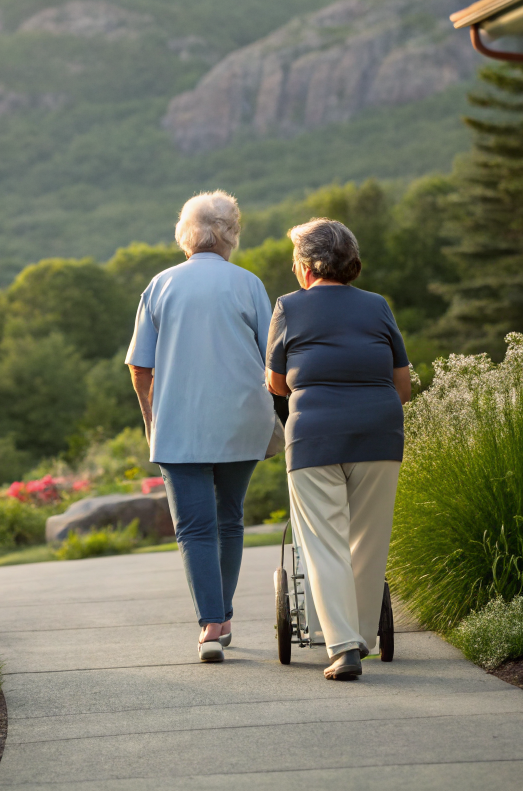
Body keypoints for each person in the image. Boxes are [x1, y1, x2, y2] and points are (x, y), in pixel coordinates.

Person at [125, 190, 275, 662]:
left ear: (184, 234)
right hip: (242, 421)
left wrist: (153, 418)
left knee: (194, 528)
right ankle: (221, 616)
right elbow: (274, 360)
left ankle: (212, 625)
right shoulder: (249, 284)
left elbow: (139, 368)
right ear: (230, 234)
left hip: (179, 425)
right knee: (229, 520)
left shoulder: (160, 285)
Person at [266, 218, 412, 681]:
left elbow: (275, 383)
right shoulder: (377, 306)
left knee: (324, 544)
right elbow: (402, 385)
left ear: (308, 267)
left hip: (314, 437)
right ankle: (361, 638)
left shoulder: (289, 307)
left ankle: (344, 647)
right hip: (378, 433)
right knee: (367, 542)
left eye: (295, 262)